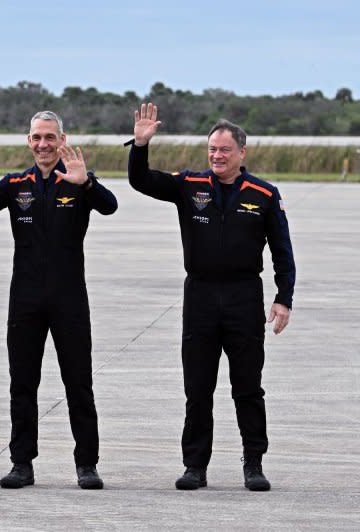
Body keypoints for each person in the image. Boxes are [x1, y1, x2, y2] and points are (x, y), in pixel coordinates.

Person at [127, 102, 295, 491]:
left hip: (243, 298)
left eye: (224, 150)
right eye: (212, 150)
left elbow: (282, 252)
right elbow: (141, 181)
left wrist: (283, 297)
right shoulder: (190, 186)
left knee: (248, 387)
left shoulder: (264, 194)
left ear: (242, 153)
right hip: (200, 297)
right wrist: (140, 145)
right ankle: (195, 466)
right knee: (197, 388)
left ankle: (253, 463)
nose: (217, 156)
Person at [0, 111, 117, 489]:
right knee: (22, 383)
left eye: (49, 137)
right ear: (28, 141)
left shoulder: (76, 178)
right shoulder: (16, 184)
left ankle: (87, 465)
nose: (43, 144)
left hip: (69, 297)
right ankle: (21, 464)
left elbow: (110, 206)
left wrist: (88, 183)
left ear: (62, 140)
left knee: (78, 383)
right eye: (36, 137)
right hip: (25, 298)